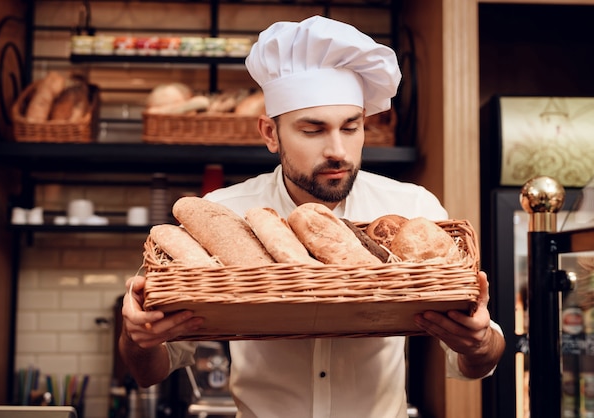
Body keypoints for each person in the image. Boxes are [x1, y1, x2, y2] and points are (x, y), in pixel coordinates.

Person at [119, 15, 506, 417]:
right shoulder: (221, 213)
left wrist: (478, 343)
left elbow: (478, 360)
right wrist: (136, 338)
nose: (338, 149)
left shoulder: (415, 211)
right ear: (270, 133)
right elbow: (150, 369)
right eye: (313, 130)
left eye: (351, 127)